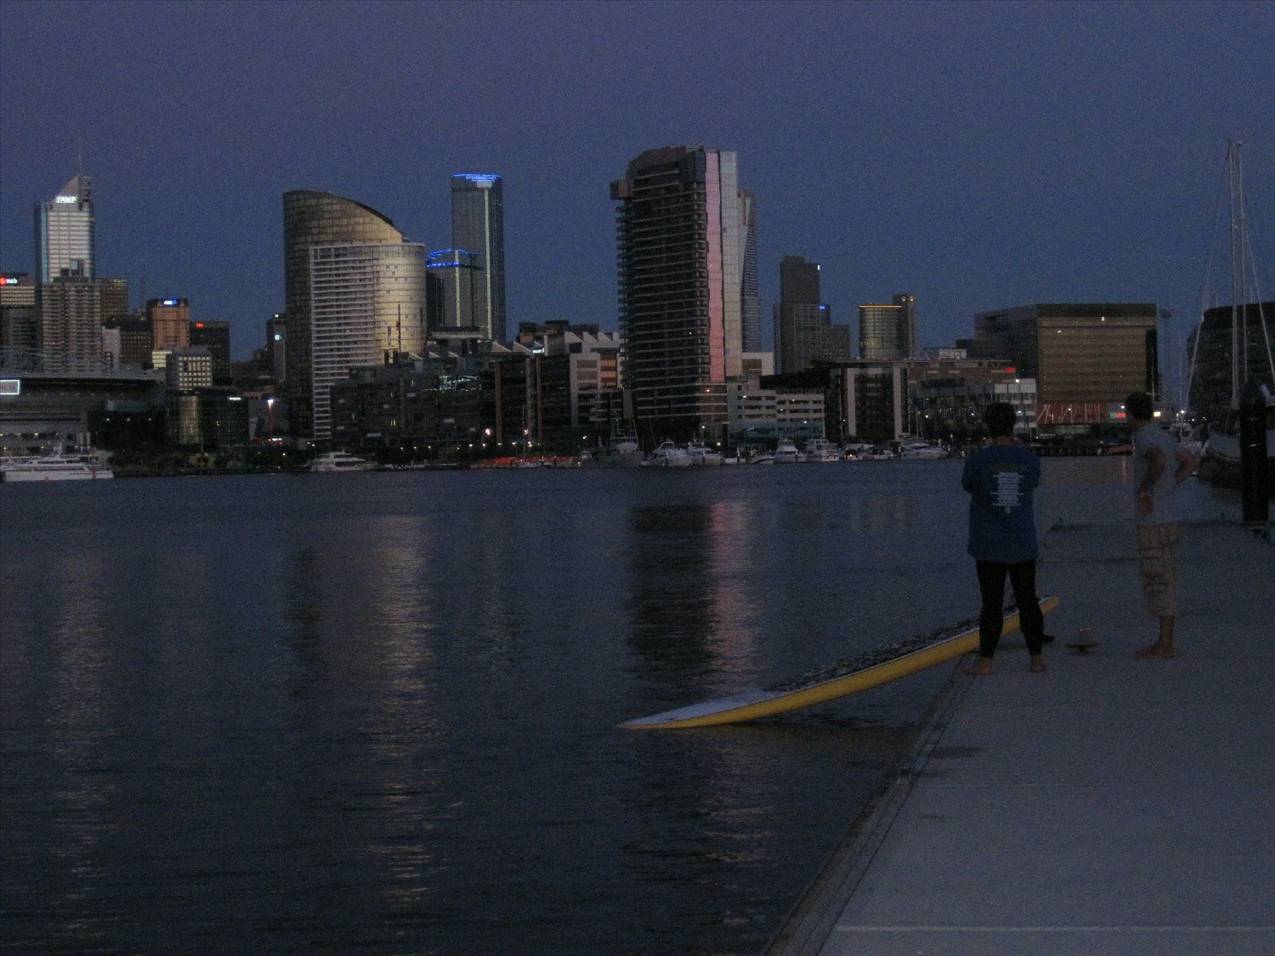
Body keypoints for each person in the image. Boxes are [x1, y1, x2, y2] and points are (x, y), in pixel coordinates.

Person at [962, 402, 1046, 674]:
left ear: (989, 426)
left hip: (988, 543)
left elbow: (968, 485)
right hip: (1021, 540)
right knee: (1028, 601)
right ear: (1013, 425)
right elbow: (1032, 483)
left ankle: (986, 661)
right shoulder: (1029, 460)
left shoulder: (977, 461)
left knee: (991, 604)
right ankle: (1036, 659)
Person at [1126, 391, 1200, 659]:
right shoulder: (1163, 435)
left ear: (1131, 414)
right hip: (1169, 520)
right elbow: (1191, 462)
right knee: (1166, 578)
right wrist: (1169, 485)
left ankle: (1164, 644)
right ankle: (1164, 641)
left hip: (1153, 523)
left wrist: (1146, 488)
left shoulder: (1144, 436)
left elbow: (1157, 460)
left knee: (1157, 581)